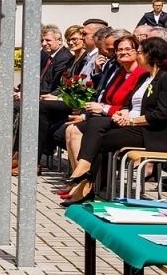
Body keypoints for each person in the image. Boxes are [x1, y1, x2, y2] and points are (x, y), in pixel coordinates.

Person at [66, 36, 165, 202]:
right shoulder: (145, 78)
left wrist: (132, 121)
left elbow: (161, 114)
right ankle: (84, 175)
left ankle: (85, 179)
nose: (138, 55)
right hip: (132, 124)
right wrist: (122, 114)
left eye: (140, 52)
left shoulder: (164, 79)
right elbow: (128, 104)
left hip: (151, 132)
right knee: (95, 123)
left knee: (97, 138)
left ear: (151, 55)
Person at [0, 25, 70, 158]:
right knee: (0, 103)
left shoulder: (63, 57)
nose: (44, 44)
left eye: (48, 40)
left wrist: (28, 95)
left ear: (59, 40)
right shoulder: (48, 56)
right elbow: (38, 79)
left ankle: (2, 148)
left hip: (48, 100)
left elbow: (52, 87)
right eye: (42, 40)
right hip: (37, 95)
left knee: (11, 107)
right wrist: (20, 89)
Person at [61, 33, 145, 175]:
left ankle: (84, 178)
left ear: (137, 52)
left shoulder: (141, 75)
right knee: (71, 129)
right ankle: (80, 178)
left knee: (85, 131)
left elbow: (129, 107)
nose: (123, 52)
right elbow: (106, 99)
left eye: (128, 49)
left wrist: (102, 110)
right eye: (119, 50)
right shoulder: (120, 73)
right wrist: (88, 115)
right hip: (106, 116)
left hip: (125, 121)